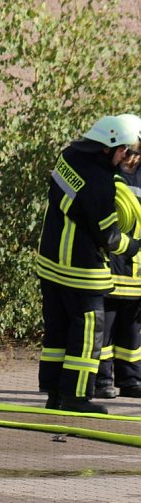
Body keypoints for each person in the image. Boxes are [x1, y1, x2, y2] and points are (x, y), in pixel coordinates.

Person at [37, 115, 141, 414]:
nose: (125, 155)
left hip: (51, 261)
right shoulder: (100, 184)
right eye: (122, 149)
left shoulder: (68, 157)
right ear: (108, 145)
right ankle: (76, 397)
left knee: (57, 331)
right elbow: (108, 235)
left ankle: (54, 393)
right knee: (86, 336)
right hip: (81, 269)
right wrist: (132, 245)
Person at [95, 113, 141, 400]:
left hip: (136, 266)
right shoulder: (107, 172)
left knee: (133, 330)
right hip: (111, 263)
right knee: (106, 327)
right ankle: (102, 381)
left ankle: (131, 379)